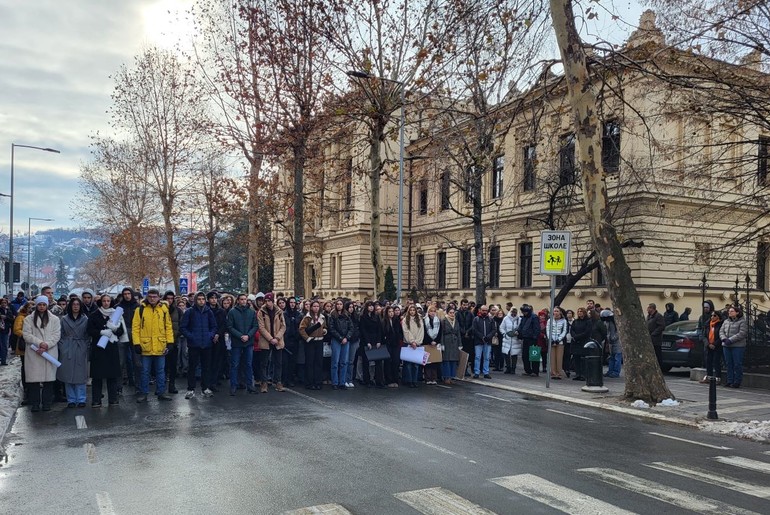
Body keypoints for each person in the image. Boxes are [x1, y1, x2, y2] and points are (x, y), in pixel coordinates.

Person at [132, 288, 175, 403]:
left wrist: (170, 342)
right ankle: (144, 393)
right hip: (145, 346)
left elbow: (168, 327)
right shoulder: (140, 309)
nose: (152, 299)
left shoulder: (164, 309)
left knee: (161, 371)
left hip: (160, 346)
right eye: (150, 296)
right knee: (145, 371)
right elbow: (135, 328)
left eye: (154, 297)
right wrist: (136, 343)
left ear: (159, 297)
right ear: (147, 297)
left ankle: (161, 392)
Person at [22, 296, 61, 412]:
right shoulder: (28, 319)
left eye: (44, 305)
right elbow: (26, 335)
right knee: (34, 381)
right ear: (37, 305)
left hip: (49, 351)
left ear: (47, 305)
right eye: (40, 305)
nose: (42, 307)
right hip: (34, 351)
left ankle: (46, 403)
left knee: (48, 380)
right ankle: (35, 403)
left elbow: (56, 335)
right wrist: (40, 343)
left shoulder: (54, 319)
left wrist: (47, 345)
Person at [88, 294, 126, 407]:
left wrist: (114, 329)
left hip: (111, 348)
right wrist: (100, 332)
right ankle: (96, 400)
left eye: (108, 301)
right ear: (101, 302)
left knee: (112, 375)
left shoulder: (117, 314)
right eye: (104, 301)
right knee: (97, 376)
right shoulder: (94, 314)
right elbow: (89, 330)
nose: (106, 303)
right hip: (98, 348)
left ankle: (113, 399)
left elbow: (121, 331)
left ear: (111, 302)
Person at [181, 292, 217, 399]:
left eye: (203, 299)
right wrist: (191, 336)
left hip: (206, 344)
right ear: (196, 300)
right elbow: (183, 327)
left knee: (206, 367)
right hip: (194, 344)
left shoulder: (208, 312)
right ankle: (191, 389)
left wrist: (209, 335)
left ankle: (205, 388)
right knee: (192, 367)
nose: (201, 301)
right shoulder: (190, 312)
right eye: (199, 299)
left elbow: (214, 326)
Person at [57, 298, 89, 407]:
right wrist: (63, 346)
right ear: (70, 306)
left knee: (81, 374)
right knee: (67, 373)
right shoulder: (64, 319)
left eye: (77, 304)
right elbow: (60, 334)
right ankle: (71, 399)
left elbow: (88, 334)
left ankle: (81, 399)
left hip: (81, 347)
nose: (75, 306)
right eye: (73, 304)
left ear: (80, 306)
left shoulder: (85, 319)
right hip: (68, 347)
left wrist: (85, 345)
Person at [227, 293, 259, 395]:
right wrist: (240, 335)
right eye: (241, 299)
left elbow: (255, 326)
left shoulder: (252, 312)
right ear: (238, 301)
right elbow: (230, 327)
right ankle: (233, 385)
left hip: (248, 342)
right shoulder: (232, 312)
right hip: (237, 342)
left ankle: (250, 385)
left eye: (245, 299)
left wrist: (248, 336)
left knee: (249, 364)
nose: (243, 301)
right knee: (235, 364)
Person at [256, 292, 286, 393]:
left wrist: (277, 338)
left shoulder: (279, 311)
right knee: (264, 362)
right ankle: (264, 382)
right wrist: (270, 338)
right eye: (266, 301)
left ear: (273, 301)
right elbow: (261, 327)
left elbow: (283, 326)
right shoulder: (261, 312)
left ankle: (278, 381)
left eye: (269, 301)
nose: (267, 303)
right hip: (266, 340)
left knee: (278, 362)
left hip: (277, 340)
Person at [299, 300, 326, 390]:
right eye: (314, 306)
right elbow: (302, 329)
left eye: (317, 306)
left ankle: (318, 382)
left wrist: (325, 330)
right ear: (311, 307)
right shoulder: (307, 317)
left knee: (319, 362)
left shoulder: (322, 317)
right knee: (310, 363)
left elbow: (325, 327)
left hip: (320, 341)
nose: (316, 308)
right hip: (311, 341)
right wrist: (307, 338)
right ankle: (309, 383)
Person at [117, 287, 140, 392]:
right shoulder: (119, 307)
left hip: (135, 336)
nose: (127, 296)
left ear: (131, 294)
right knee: (120, 362)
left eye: (128, 293)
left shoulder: (138, 307)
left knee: (137, 362)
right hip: (122, 335)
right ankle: (118, 387)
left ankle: (138, 385)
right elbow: (114, 323)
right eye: (124, 294)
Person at [720, 306, 748, 388]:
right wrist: (724, 338)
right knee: (728, 364)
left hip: (737, 346)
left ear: (737, 312)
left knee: (737, 364)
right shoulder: (726, 321)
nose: (729, 312)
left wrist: (731, 340)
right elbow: (721, 331)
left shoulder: (742, 322)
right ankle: (729, 380)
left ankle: (737, 381)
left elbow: (742, 333)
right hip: (726, 345)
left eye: (732, 311)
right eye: (729, 311)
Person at [360, 300, 385, 388]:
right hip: (367, 340)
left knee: (378, 362)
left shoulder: (376, 316)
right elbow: (363, 330)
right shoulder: (363, 317)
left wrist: (379, 341)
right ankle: (366, 380)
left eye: (372, 306)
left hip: (376, 340)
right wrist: (368, 342)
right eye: (369, 306)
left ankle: (379, 381)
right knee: (366, 362)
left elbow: (379, 329)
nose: (371, 307)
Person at [328, 299, 352, 390]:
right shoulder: (332, 315)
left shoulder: (347, 315)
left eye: (340, 304)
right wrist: (340, 338)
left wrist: (347, 337)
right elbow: (331, 328)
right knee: (335, 361)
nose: (339, 306)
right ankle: (335, 382)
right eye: (337, 304)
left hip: (346, 340)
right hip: (336, 340)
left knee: (344, 362)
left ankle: (342, 382)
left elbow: (351, 328)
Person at [163, 291, 182, 394]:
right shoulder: (160, 310)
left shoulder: (178, 311)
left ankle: (172, 385)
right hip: (161, 342)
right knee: (162, 366)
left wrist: (177, 334)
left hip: (174, 342)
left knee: (173, 364)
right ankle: (162, 386)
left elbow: (182, 324)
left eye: (171, 299)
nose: (169, 301)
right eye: (167, 298)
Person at [401, 304, 424, 388]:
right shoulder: (405, 320)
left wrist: (417, 342)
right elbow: (406, 331)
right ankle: (409, 380)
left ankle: (415, 380)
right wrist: (412, 341)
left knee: (416, 364)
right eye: (411, 310)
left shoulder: (420, 319)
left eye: (414, 310)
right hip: (408, 344)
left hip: (417, 344)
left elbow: (421, 331)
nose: (412, 312)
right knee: (408, 364)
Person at [282, 297, 302, 387]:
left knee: (293, 361)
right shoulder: (284, 314)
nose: (292, 304)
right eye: (291, 302)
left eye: (294, 302)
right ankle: (284, 379)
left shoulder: (299, 314)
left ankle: (290, 379)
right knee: (285, 361)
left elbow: (300, 327)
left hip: (295, 340)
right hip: (286, 340)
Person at [700, 310, 723, 384]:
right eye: (711, 315)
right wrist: (708, 344)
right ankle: (708, 376)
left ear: (718, 317)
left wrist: (714, 344)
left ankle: (718, 377)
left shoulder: (720, 324)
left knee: (716, 361)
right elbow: (704, 335)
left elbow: (721, 336)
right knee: (708, 361)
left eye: (714, 316)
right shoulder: (707, 324)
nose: (712, 317)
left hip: (717, 346)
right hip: (708, 346)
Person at [440, 306, 462, 384]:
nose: (452, 314)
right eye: (450, 313)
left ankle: (452, 376)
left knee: (454, 360)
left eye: (453, 313)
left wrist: (460, 344)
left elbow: (458, 333)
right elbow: (441, 333)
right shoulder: (444, 321)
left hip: (455, 342)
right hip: (447, 341)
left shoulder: (456, 321)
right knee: (446, 360)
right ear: (447, 313)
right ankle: (446, 376)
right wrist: (442, 344)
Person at [569, 307, 592, 381]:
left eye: (581, 311)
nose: (579, 313)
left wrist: (577, 337)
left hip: (584, 342)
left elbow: (587, 332)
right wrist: (574, 336)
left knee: (583, 359)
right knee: (576, 359)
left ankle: (583, 374)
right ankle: (577, 373)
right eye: (578, 311)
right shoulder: (575, 321)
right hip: (575, 342)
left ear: (584, 312)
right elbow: (572, 330)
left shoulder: (588, 321)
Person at [383, 305, 403, 387]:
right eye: (389, 312)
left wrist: (399, 339)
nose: (391, 313)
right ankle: (389, 380)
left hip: (396, 344)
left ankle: (395, 379)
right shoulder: (384, 321)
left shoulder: (396, 321)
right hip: (388, 344)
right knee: (388, 362)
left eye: (392, 312)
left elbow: (400, 332)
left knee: (396, 361)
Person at [518, 304, 541, 377]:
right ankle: (527, 370)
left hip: (532, 339)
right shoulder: (523, 318)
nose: (524, 313)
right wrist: (519, 333)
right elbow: (521, 327)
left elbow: (537, 328)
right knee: (525, 355)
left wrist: (535, 337)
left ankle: (535, 371)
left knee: (534, 355)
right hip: (525, 338)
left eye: (525, 312)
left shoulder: (534, 317)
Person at [547, 307, 568, 380]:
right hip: (552, 341)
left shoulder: (564, 321)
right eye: (554, 311)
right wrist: (551, 339)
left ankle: (559, 374)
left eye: (557, 311)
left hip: (560, 342)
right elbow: (548, 330)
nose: (555, 313)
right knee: (552, 358)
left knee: (559, 358)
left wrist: (558, 340)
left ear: (560, 312)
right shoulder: (550, 320)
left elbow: (564, 331)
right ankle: (553, 373)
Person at [500, 307, 521, 374]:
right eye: (512, 312)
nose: (513, 314)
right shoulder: (506, 318)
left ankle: (513, 368)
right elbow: (502, 327)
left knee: (514, 354)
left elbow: (521, 328)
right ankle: (508, 367)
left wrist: (518, 332)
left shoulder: (519, 319)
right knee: (506, 353)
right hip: (507, 338)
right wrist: (504, 334)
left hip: (515, 339)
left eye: (515, 312)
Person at [601, 309, 622, 378]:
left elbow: (619, 332)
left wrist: (614, 337)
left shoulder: (615, 322)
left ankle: (616, 372)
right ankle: (610, 371)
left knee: (617, 357)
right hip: (610, 342)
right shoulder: (607, 322)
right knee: (611, 357)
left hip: (617, 342)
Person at [457, 299, 474, 377]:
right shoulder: (457, 313)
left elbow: (473, 324)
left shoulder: (470, 314)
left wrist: (468, 331)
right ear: (461, 305)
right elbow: (457, 324)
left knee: (467, 353)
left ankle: (466, 369)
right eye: (464, 305)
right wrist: (463, 332)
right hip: (460, 336)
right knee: (460, 353)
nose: (465, 306)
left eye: (466, 305)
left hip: (468, 337)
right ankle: (459, 369)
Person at [345, 301, 360, 388]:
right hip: (346, 340)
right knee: (345, 361)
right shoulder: (344, 316)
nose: (351, 309)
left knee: (351, 361)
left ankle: (349, 379)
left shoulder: (355, 316)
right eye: (349, 307)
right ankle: (344, 379)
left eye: (352, 307)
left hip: (354, 340)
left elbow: (358, 327)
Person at [646, 303, 666, 369]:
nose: (647, 309)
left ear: (652, 308)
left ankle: (660, 368)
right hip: (650, 339)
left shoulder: (658, 316)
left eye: (649, 308)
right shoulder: (649, 316)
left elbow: (662, 326)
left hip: (656, 340)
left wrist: (653, 334)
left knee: (657, 354)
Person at [0, 297, 11, 365]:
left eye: (5, 303)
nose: (4, 304)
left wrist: (6, 317)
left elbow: (12, 319)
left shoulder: (8, 310)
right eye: (2, 303)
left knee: (4, 346)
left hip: (5, 330)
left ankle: (3, 360)